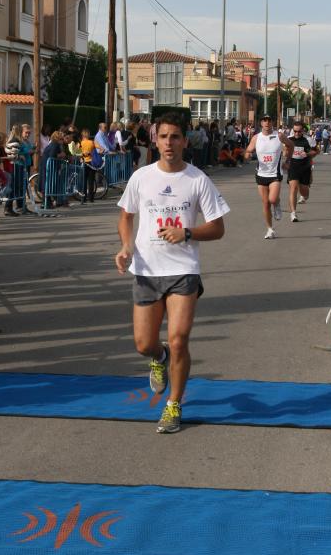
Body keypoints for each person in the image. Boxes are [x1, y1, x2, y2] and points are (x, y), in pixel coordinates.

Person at [115, 112, 229, 434]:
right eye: (163, 136)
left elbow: (218, 228)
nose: (169, 143)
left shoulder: (197, 179)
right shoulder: (141, 177)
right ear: (155, 139)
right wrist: (126, 247)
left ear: (184, 141)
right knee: (143, 344)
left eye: (175, 137)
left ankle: (173, 405)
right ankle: (158, 356)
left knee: (179, 339)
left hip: (183, 271)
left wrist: (188, 233)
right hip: (147, 269)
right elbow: (126, 218)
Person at [244, 114, 284, 240]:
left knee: (272, 199)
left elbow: (290, 145)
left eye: (269, 120)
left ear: (272, 122)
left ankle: (277, 204)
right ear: (261, 123)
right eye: (264, 120)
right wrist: (248, 156)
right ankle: (269, 229)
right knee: (265, 203)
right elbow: (248, 151)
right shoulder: (256, 138)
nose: (267, 123)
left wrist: (287, 160)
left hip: (275, 174)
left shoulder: (279, 136)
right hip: (261, 174)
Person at [281, 121, 319, 222]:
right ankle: (293, 213)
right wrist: (285, 152)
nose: (297, 133)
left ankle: (305, 195)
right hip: (293, 167)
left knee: (304, 191)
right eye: (295, 131)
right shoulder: (289, 139)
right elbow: (285, 149)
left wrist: (307, 154)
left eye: (299, 131)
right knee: (293, 188)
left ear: (303, 131)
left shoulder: (308, 140)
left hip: (305, 168)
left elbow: (316, 151)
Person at [78, 128, 97, 204]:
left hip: (83, 162)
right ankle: (91, 198)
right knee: (91, 181)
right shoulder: (91, 142)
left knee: (84, 181)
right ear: (88, 134)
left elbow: (78, 152)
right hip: (91, 162)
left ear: (82, 135)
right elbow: (97, 150)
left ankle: (84, 197)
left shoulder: (80, 143)